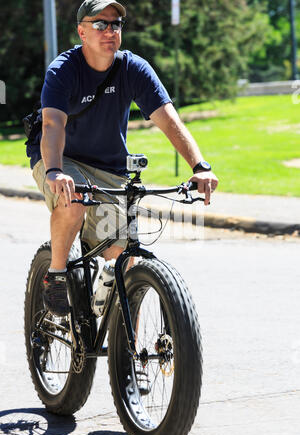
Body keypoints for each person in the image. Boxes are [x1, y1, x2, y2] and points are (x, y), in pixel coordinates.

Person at [32, 0, 219, 317]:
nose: (110, 31)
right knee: (73, 198)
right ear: (82, 32)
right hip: (61, 158)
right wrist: (53, 170)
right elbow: (52, 124)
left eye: (115, 24)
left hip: (110, 166)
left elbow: (169, 121)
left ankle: (121, 346)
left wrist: (199, 166)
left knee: (123, 259)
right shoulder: (63, 71)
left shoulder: (134, 69)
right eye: (100, 24)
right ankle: (57, 275)